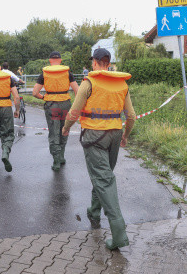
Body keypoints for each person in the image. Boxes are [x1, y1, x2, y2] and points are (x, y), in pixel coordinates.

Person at [62, 48, 136, 250]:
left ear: (94, 63)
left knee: (103, 179)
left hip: (94, 136)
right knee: (103, 174)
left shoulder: (89, 83)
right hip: (114, 135)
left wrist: (66, 127)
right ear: (108, 63)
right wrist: (125, 136)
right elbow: (131, 116)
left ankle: (119, 232)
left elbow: (74, 111)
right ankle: (94, 210)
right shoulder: (122, 84)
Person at [32, 51, 79, 171]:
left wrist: (44, 97)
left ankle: (56, 161)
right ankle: (62, 156)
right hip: (65, 104)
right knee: (64, 129)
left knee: (54, 131)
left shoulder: (44, 73)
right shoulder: (67, 72)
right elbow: (77, 91)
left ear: (50, 61)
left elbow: (35, 93)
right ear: (61, 60)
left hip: (51, 105)